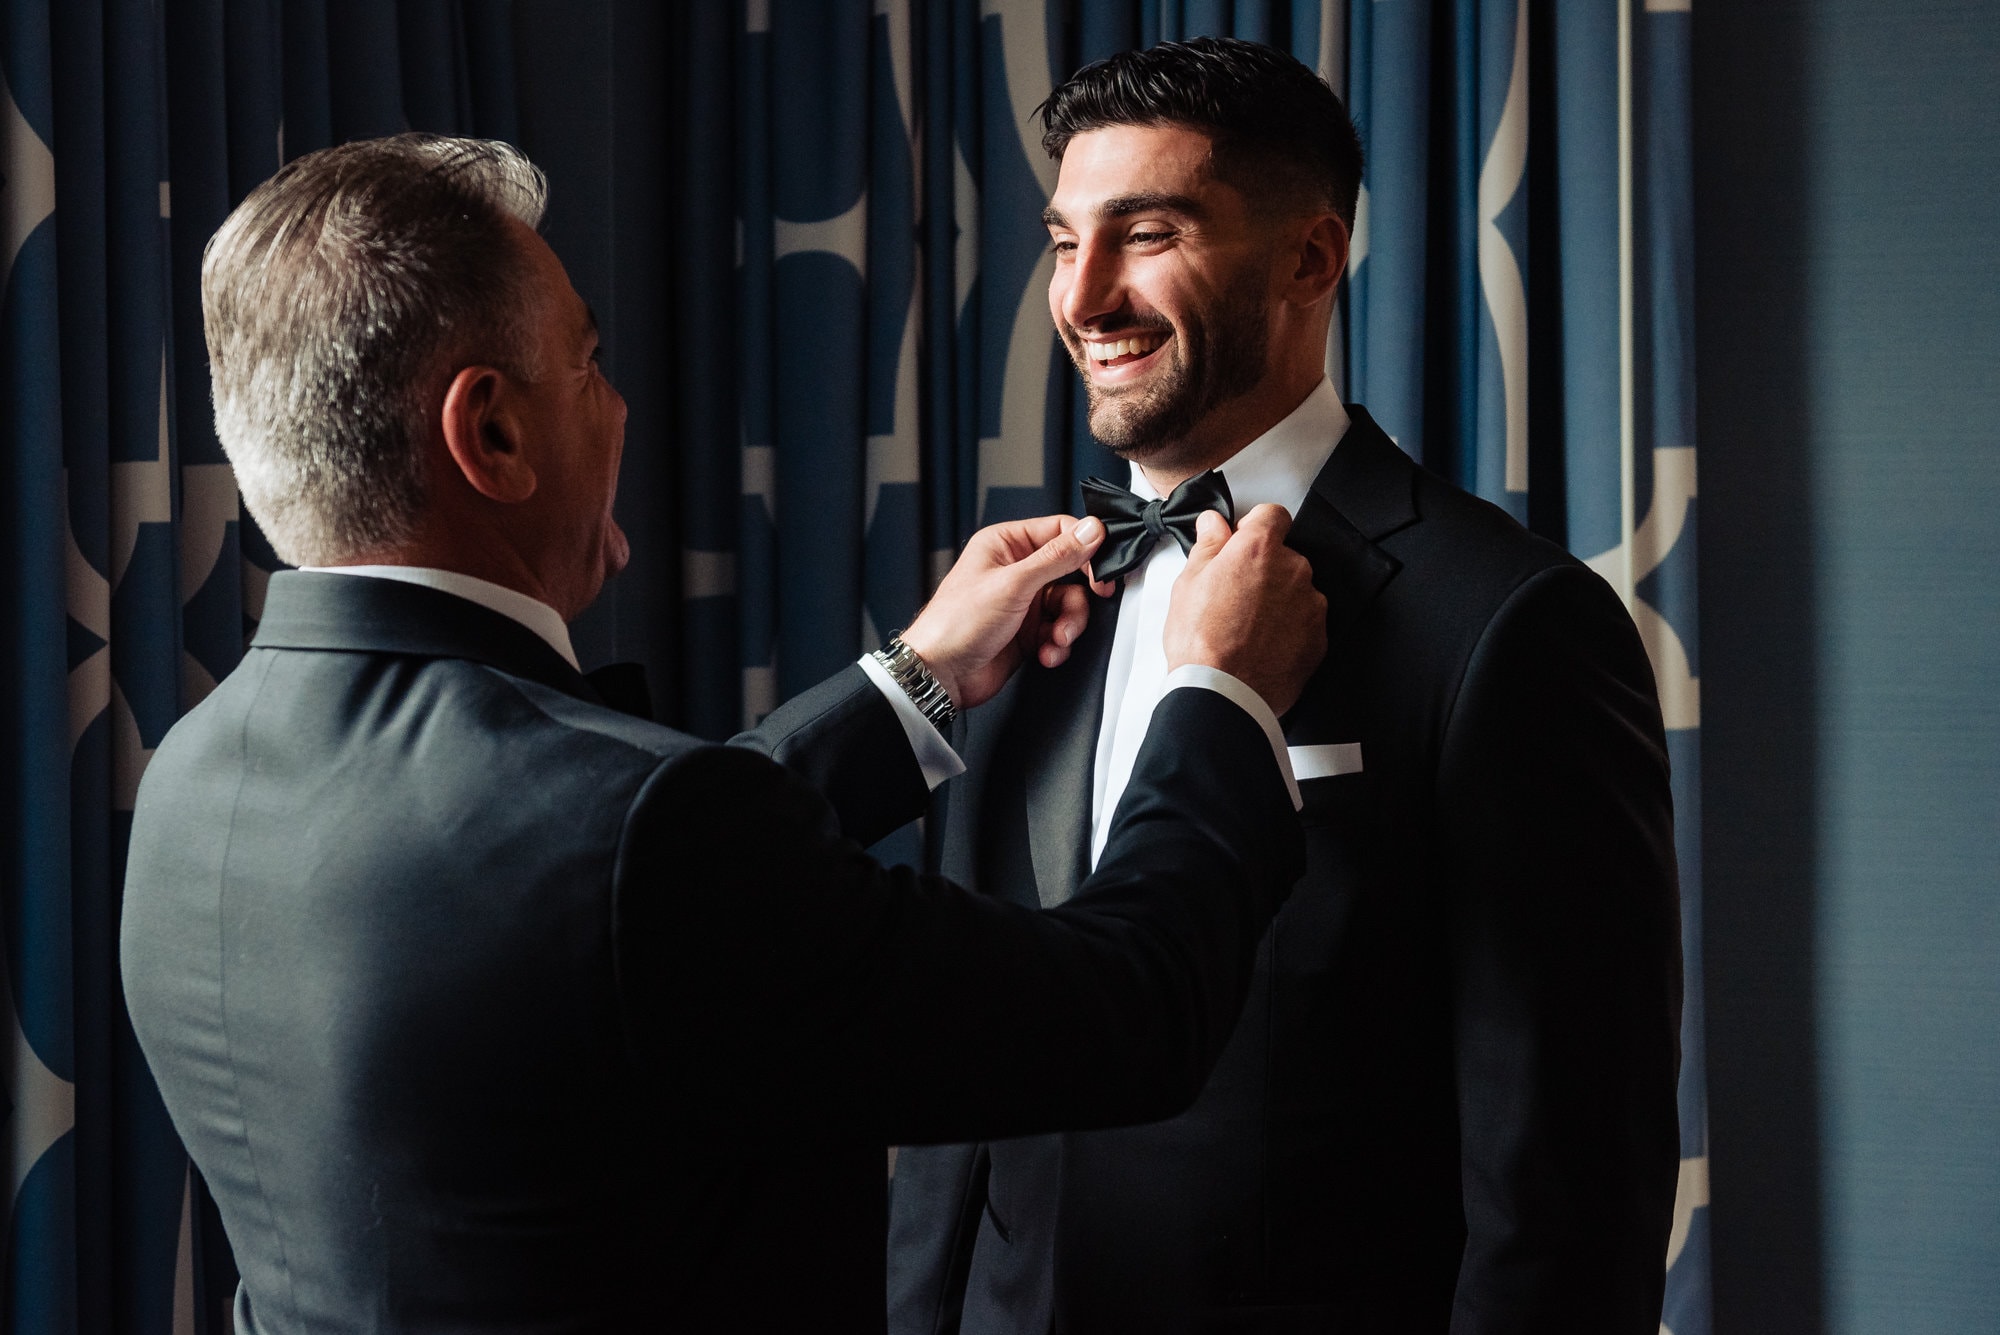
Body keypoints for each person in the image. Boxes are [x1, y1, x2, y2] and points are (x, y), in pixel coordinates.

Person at [119, 133, 1329, 1333]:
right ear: (489, 434)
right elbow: (1128, 1013)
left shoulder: (187, 776)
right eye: (588, 366)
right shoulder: (641, 844)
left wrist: (914, 679)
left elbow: (590, 897)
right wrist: (1217, 696)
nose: (622, 406)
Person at [886, 37, 1683, 1335]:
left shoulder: (1512, 624)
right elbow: (966, 1099)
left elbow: (1567, 1185)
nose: (1084, 295)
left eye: (1145, 234)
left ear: (1311, 259)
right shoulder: (1013, 608)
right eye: (1060, 238)